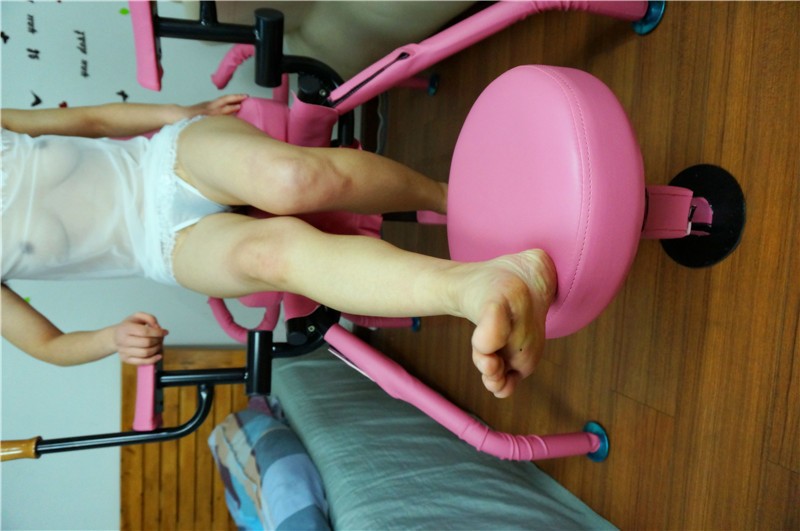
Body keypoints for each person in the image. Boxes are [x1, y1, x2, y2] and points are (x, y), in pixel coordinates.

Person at [1, 96, 556, 398]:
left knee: (290, 180)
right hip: (161, 248)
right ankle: (477, 289)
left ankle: (453, 198)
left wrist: (178, 115)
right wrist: (110, 338)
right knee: (271, 257)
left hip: (164, 164)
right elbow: (48, 345)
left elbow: (92, 119)